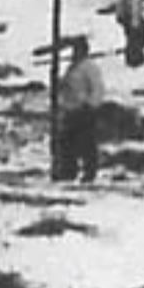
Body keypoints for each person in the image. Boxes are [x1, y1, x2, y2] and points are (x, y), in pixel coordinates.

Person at [53, 36, 108, 183]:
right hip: (71, 110)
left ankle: (89, 173)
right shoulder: (73, 68)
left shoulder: (89, 67)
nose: (74, 53)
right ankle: (68, 171)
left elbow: (98, 89)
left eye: (77, 49)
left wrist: (91, 106)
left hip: (84, 110)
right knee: (67, 143)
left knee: (86, 143)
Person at [113, 0, 144, 66]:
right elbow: (124, 12)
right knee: (133, 42)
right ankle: (134, 60)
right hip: (131, 24)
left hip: (134, 23)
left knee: (135, 42)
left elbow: (137, 11)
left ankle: (135, 59)